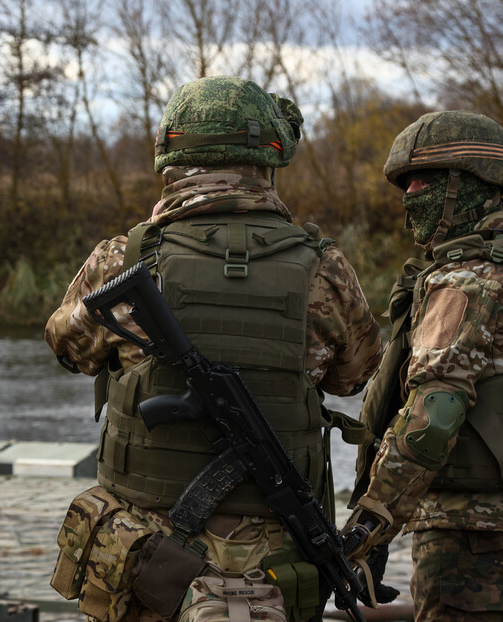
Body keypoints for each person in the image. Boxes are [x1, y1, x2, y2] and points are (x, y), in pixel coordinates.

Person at [44, 76, 382, 622]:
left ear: (171, 156)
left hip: (143, 554)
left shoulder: (123, 259)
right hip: (276, 560)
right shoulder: (324, 268)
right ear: (269, 156)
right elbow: (354, 376)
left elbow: (68, 348)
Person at [342, 111, 503, 621]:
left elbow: (434, 414)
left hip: (474, 546)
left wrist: (366, 527)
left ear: (462, 184)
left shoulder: (468, 278)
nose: (408, 196)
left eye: (419, 181)